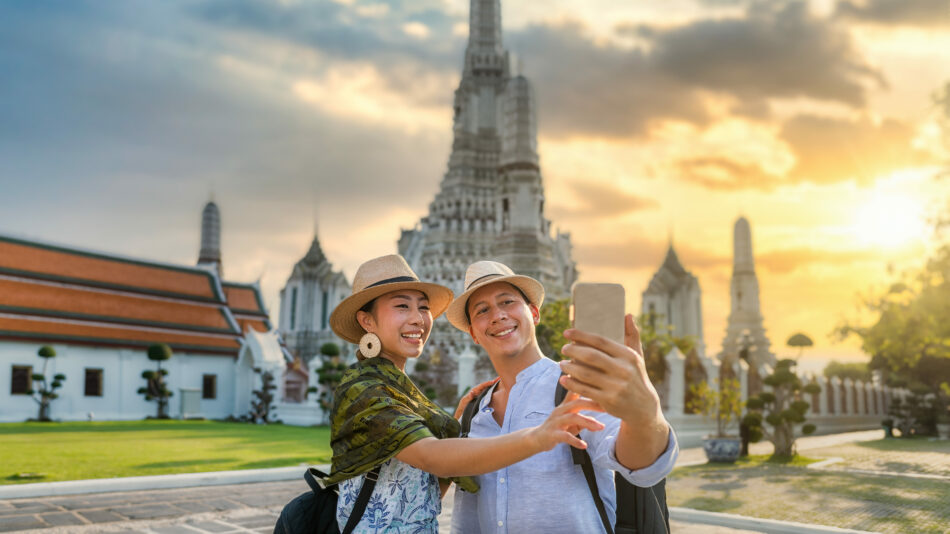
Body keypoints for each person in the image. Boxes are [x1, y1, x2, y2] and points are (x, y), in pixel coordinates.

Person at [323, 254, 606, 533]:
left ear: (533, 313)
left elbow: (426, 494)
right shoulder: (363, 390)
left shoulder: (403, 391)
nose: (418, 319)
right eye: (401, 306)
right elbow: (433, 457)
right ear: (367, 322)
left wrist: (459, 419)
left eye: (423, 308)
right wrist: (538, 436)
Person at [447, 261, 679, 533]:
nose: (497, 315)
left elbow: (641, 464)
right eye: (482, 310)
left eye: (507, 302)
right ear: (473, 332)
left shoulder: (575, 384)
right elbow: (466, 521)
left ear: (534, 313)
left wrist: (644, 414)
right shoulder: (473, 412)